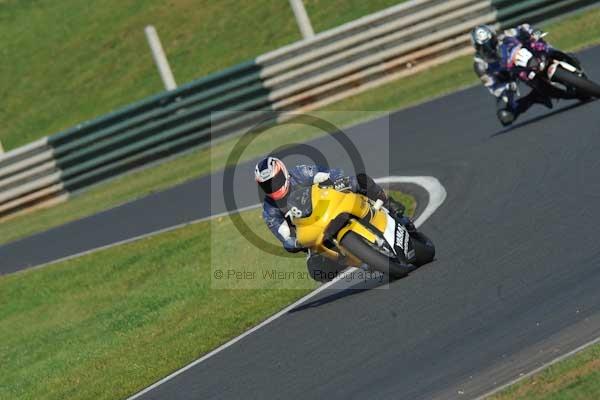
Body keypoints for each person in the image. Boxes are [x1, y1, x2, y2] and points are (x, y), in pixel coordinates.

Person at [254, 156, 418, 282]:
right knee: (316, 270)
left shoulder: (299, 173)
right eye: (267, 185)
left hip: (330, 208)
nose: (273, 187)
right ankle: (360, 260)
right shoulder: (270, 210)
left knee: (360, 181)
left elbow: (328, 174)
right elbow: (285, 236)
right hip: (316, 238)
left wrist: (331, 180)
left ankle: (393, 210)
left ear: (283, 172)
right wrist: (293, 243)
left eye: (275, 181)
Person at [471, 24, 554, 126]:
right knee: (505, 116)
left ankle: (557, 54)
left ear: (493, 36)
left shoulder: (504, 35)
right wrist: (506, 87)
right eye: (483, 46)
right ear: (476, 47)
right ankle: (535, 97)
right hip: (511, 75)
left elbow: (523, 28)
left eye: (490, 42)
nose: (489, 47)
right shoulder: (479, 64)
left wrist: (533, 32)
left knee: (540, 43)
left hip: (526, 55)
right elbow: (492, 85)